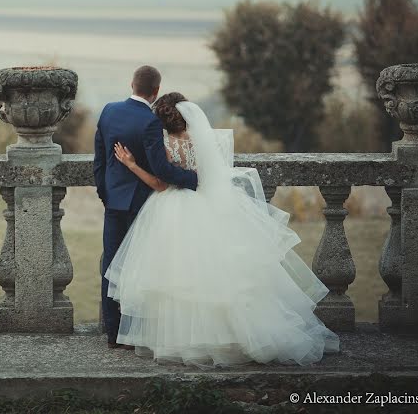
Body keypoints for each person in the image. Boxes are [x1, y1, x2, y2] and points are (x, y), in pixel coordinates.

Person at [105, 93, 340, 366]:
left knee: (181, 277)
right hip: (208, 204)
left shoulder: (165, 143)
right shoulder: (203, 141)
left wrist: (132, 164)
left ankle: (186, 341)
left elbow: (161, 184)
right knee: (221, 275)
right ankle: (238, 336)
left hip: (173, 209)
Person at [93, 66, 199, 349]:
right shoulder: (149, 121)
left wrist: (105, 194)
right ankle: (136, 331)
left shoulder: (108, 111)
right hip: (142, 204)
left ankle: (114, 335)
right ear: (155, 92)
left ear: (131, 84)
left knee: (111, 267)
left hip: (113, 201)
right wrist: (195, 179)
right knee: (139, 269)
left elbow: (100, 160)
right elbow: (162, 169)